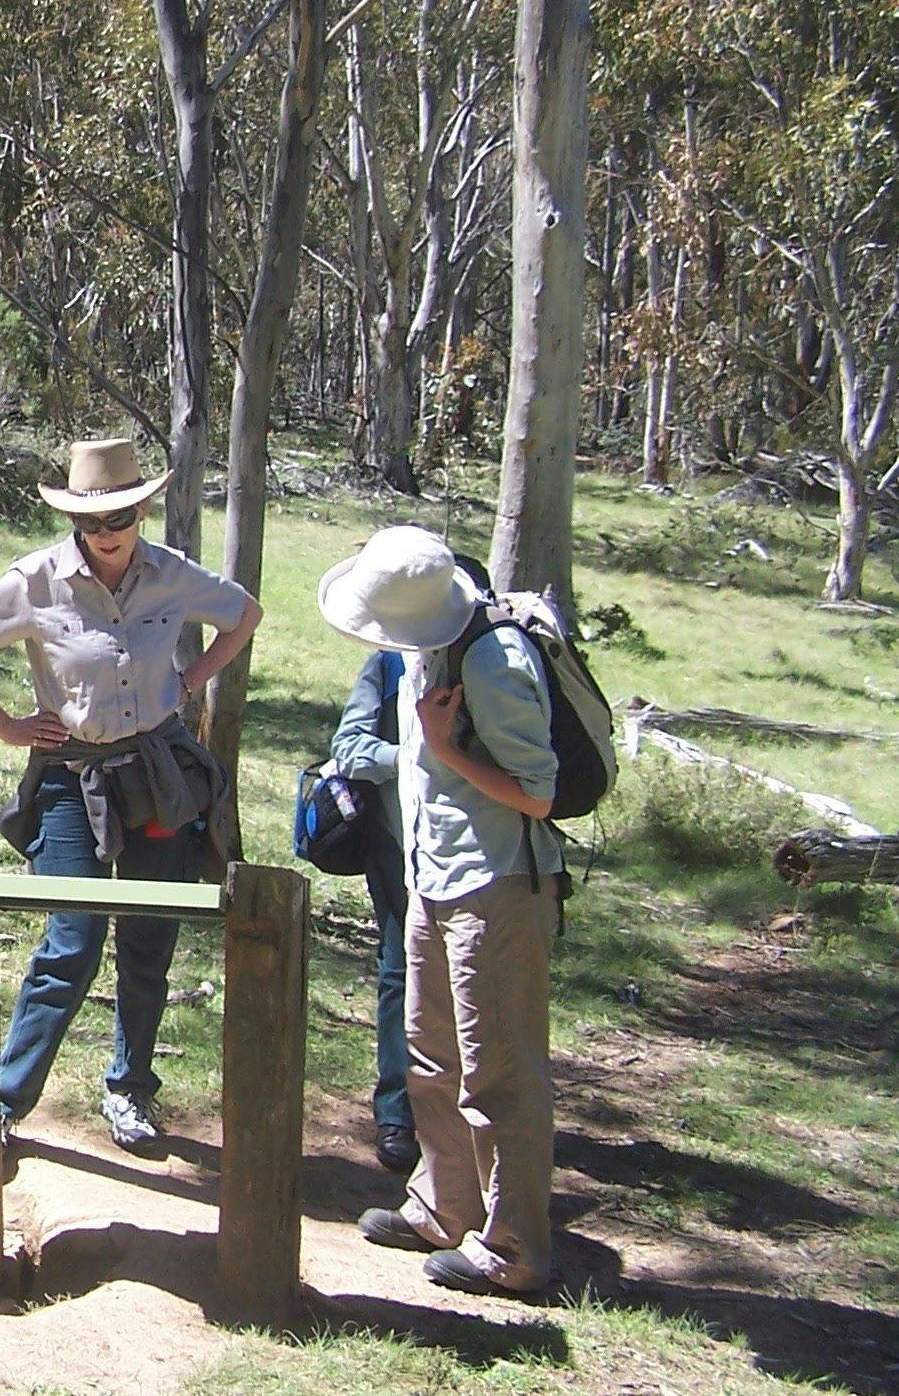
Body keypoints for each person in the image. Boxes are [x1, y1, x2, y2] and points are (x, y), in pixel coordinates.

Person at [0, 438, 263, 1151]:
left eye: (121, 517)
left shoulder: (170, 573)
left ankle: (130, 1090)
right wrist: (10, 725)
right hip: (70, 777)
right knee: (72, 940)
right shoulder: (37, 580)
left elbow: (245, 614)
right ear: (76, 521)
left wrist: (191, 679)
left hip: (156, 773)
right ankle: (4, 1101)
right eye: (92, 522)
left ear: (141, 510)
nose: (107, 534)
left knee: (149, 937)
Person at [316, 525, 561, 1296]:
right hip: (434, 877)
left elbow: (539, 791)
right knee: (431, 1056)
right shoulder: (428, 647)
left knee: (500, 1076)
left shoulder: (494, 657)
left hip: (496, 887)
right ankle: (443, 1203)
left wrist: (445, 746)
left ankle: (512, 1244)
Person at [325, 647, 419, 1175]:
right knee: (400, 973)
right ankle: (398, 1116)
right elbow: (350, 747)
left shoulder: (496, 663)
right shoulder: (389, 664)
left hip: (487, 855)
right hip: (397, 843)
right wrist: (412, 759)